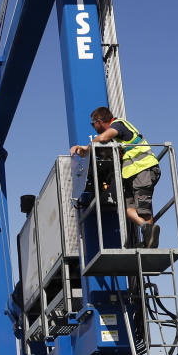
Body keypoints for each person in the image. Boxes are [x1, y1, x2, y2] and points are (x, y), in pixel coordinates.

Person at [70, 106, 162, 248]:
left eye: (92, 124)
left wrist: (87, 149)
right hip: (133, 174)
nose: (93, 127)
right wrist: (80, 148)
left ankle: (151, 245)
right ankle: (146, 230)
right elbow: (102, 144)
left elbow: (103, 137)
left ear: (99, 121)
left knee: (143, 210)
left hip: (143, 168)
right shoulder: (117, 134)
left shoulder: (118, 124)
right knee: (127, 208)